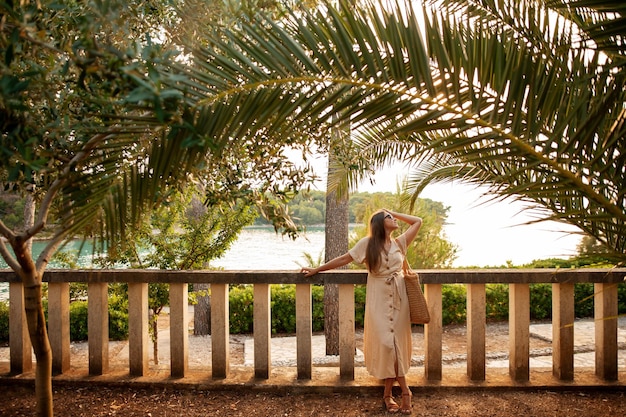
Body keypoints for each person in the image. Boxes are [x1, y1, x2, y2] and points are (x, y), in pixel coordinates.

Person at [301, 209, 423, 414]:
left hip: (399, 300)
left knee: (396, 346)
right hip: (378, 300)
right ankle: (405, 392)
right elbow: (343, 259)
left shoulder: (400, 242)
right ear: (379, 223)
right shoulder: (367, 244)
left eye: (392, 217)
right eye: (389, 218)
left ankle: (388, 395)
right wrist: (317, 269)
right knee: (386, 344)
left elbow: (417, 221)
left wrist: (391, 212)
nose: (393, 220)